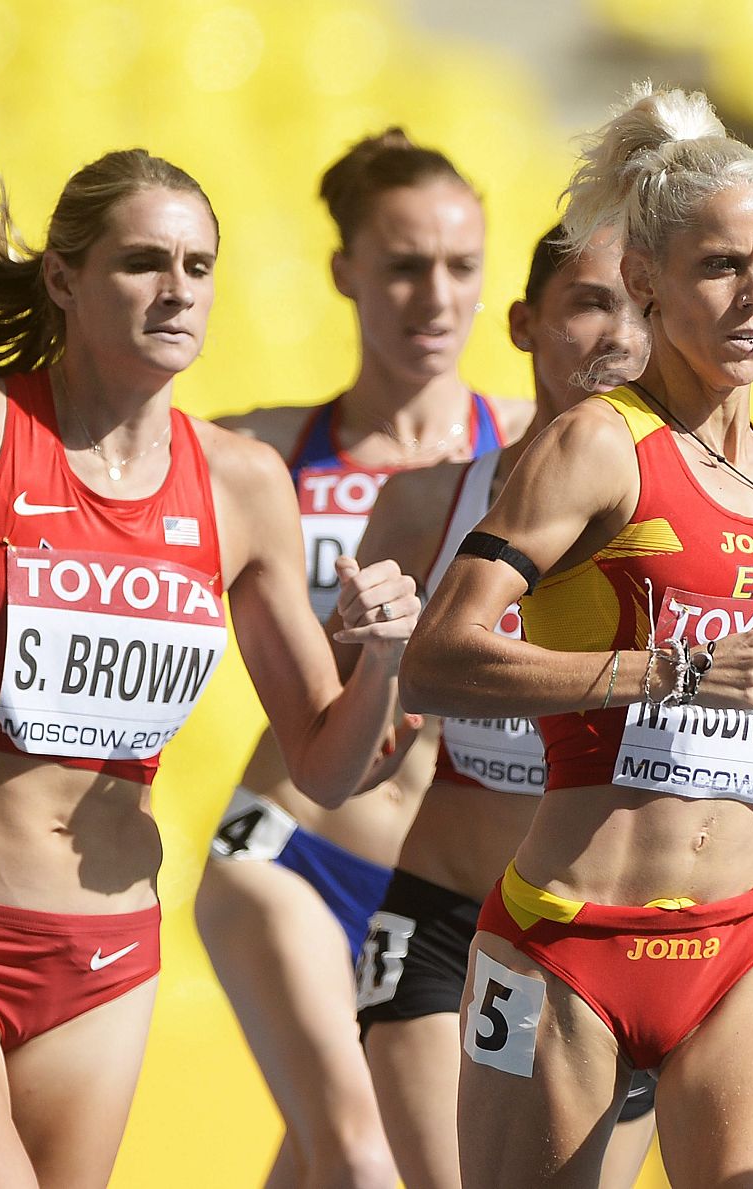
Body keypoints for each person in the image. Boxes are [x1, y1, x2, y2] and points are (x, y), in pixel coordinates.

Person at [0, 141, 418, 1189]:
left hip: (109, 957)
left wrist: (384, 655)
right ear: (64, 278)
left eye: (199, 267)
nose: (177, 290)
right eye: (143, 262)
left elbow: (326, 765)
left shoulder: (244, 485)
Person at [399, 84, 753, 1188]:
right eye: (720, 267)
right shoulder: (598, 445)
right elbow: (438, 656)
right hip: (567, 939)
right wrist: (671, 672)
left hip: (741, 942)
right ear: (645, 279)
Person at [192, 128, 527, 1189]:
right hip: (291, 848)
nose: (436, 296)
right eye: (402, 265)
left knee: (321, 1160)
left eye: (462, 267)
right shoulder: (265, 450)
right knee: (364, 1153)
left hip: (434, 886)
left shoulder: (532, 451)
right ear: (344, 271)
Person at [353, 222, 670, 1189]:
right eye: (589, 302)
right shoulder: (423, 506)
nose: (619, 333)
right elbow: (353, 765)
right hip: (446, 929)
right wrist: (373, 659)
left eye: (645, 307)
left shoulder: (685, 525)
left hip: (615, 938)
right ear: (526, 323)